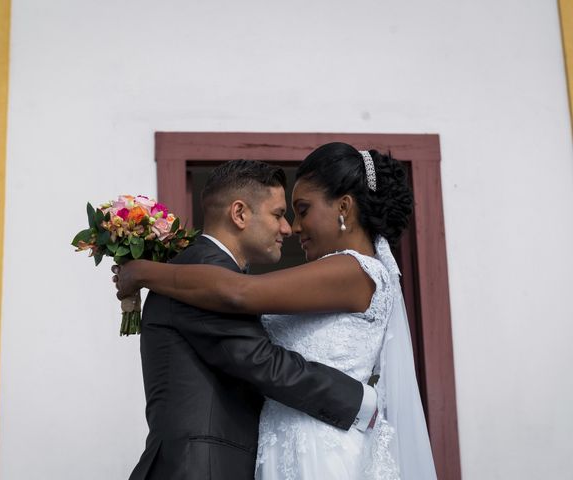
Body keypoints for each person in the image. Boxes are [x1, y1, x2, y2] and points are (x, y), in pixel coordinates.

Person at [115, 143, 437, 479]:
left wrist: (142, 272)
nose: (293, 228)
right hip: (281, 445)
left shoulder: (353, 270)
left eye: (302, 209)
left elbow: (240, 294)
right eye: (285, 214)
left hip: (319, 449)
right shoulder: (333, 274)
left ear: (344, 206)